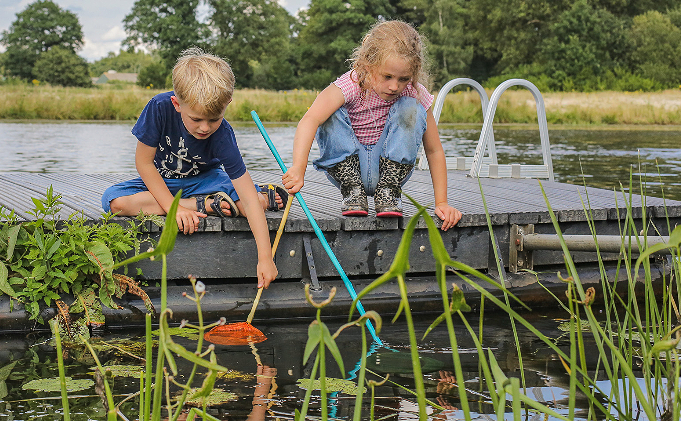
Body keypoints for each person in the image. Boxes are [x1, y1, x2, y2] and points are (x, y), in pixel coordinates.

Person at [101, 48, 285, 288]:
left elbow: (249, 200)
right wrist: (172, 209)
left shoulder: (223, 135)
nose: (205, 128)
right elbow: (144, 163)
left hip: (207, 181)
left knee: (254, 202)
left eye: (214, 119)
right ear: (177, 104)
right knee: (116, 203)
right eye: (196, 119)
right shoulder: (159, 108)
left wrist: (265, 258)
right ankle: (208, 205)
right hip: (164, 181)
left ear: (228, 103)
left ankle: (250, 196)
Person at [282, 20, 461, 230]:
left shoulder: (413, 91)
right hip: (347, 167)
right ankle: (352, 190)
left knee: (412, 107)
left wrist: (442, 203)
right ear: (368, 64)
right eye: (387, 77)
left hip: (390, 170)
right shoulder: (351, 84)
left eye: (404, 78)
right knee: (327, 112)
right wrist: (298, 168)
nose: (395, 86)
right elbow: (309, 120)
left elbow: (434, 150)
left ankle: (388, 191)